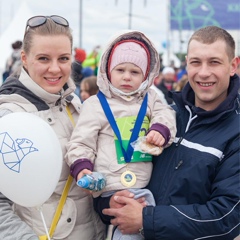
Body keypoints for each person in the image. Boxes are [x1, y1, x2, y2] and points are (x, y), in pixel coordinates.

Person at [94, 26, 240, 239]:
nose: (204, 72)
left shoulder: (235, 131)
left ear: (233, 66)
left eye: (214, 62)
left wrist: (147, 219)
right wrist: (109, 202)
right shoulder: (163, 118)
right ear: (187, 63)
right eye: (196, 62)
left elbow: (227, 215)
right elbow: (120, 171)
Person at [0, 15, 105, 240]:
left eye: (63, 58)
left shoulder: (75, 105)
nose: (55, 69)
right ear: (25, 59)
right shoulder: (8, 117)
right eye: (44, 58)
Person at [66, 30, 176, 239]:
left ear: (145, 76)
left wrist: (160, 130)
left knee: (136, 227)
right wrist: (82, 168)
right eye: (120, 70)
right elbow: (81, 142)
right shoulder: (96, 104)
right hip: (107, 186)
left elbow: (166, 114)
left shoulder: (151, 98)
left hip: (143, 184)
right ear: (108, 70)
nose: (127, 76)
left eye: (135, 72)